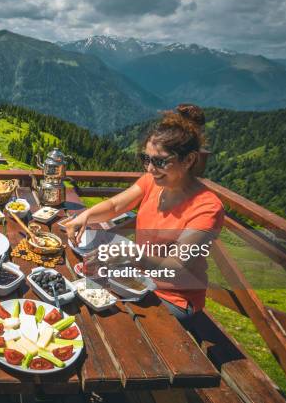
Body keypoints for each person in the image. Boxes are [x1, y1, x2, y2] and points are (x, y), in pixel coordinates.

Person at [65, 104, 224, 326]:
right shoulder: (154, 181)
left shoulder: (207, 208)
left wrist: (128, 254)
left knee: (108, 323)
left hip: (173, 298)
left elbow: (176, 266)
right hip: (137, 280)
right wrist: (85, 216)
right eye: (146, 158)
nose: (150, 168)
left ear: (188, 160)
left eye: (160, 161)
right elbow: (114, 206)